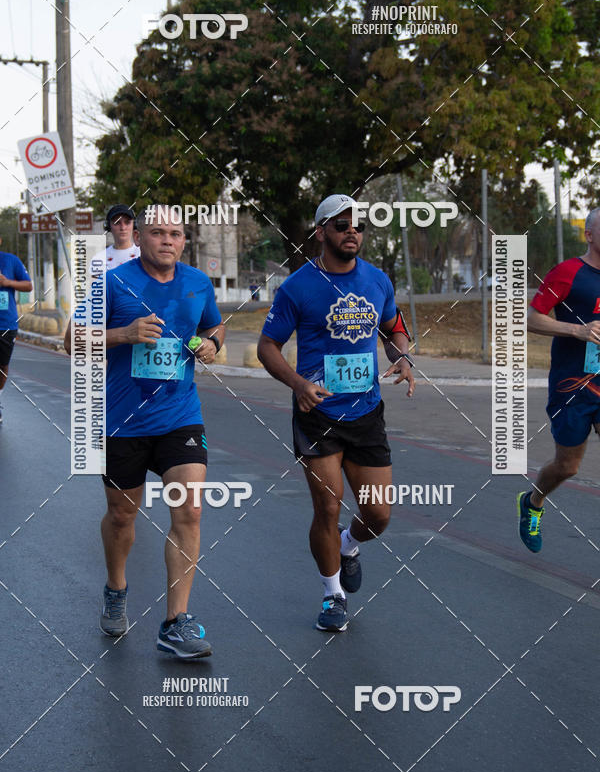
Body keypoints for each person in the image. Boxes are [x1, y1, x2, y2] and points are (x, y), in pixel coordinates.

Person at [64, 206, 224, 658]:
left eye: (175, 233)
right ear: (141, 238)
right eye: (157, 233)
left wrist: (212, 343)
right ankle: (116, 587)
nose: (167, 241)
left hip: (180, 415)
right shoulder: (114, 282)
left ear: (184, 240)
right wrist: (125, 333)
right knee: (122, 517)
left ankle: (175, 622)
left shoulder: (197, 283)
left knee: (189, 510)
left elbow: (213, 325)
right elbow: (71, 339)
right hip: (122, 419)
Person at [257, 194, 415, 632]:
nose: (352, 231)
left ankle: (350, 544)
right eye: (341, 224)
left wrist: (403, 356)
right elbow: (267, 346)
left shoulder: (377, 280)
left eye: (358, 226)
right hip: (318, 412)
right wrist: (298, 384)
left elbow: (393, 328)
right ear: (320, 231)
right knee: (327, 507)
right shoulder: (297, 287)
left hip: (365, 412)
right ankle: (332, 595)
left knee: (379, 515)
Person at [518, 206, 600, 552]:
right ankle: (533, 501)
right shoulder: (569, 272)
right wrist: (576, 330)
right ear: (590, 234)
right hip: (574, 386)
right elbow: (532, 319)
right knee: (567, 466)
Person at [0, 238, 33, 423]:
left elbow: (28, 286)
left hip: (6, 323)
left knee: (2, 366)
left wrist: (7, 282)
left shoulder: (11, 260)